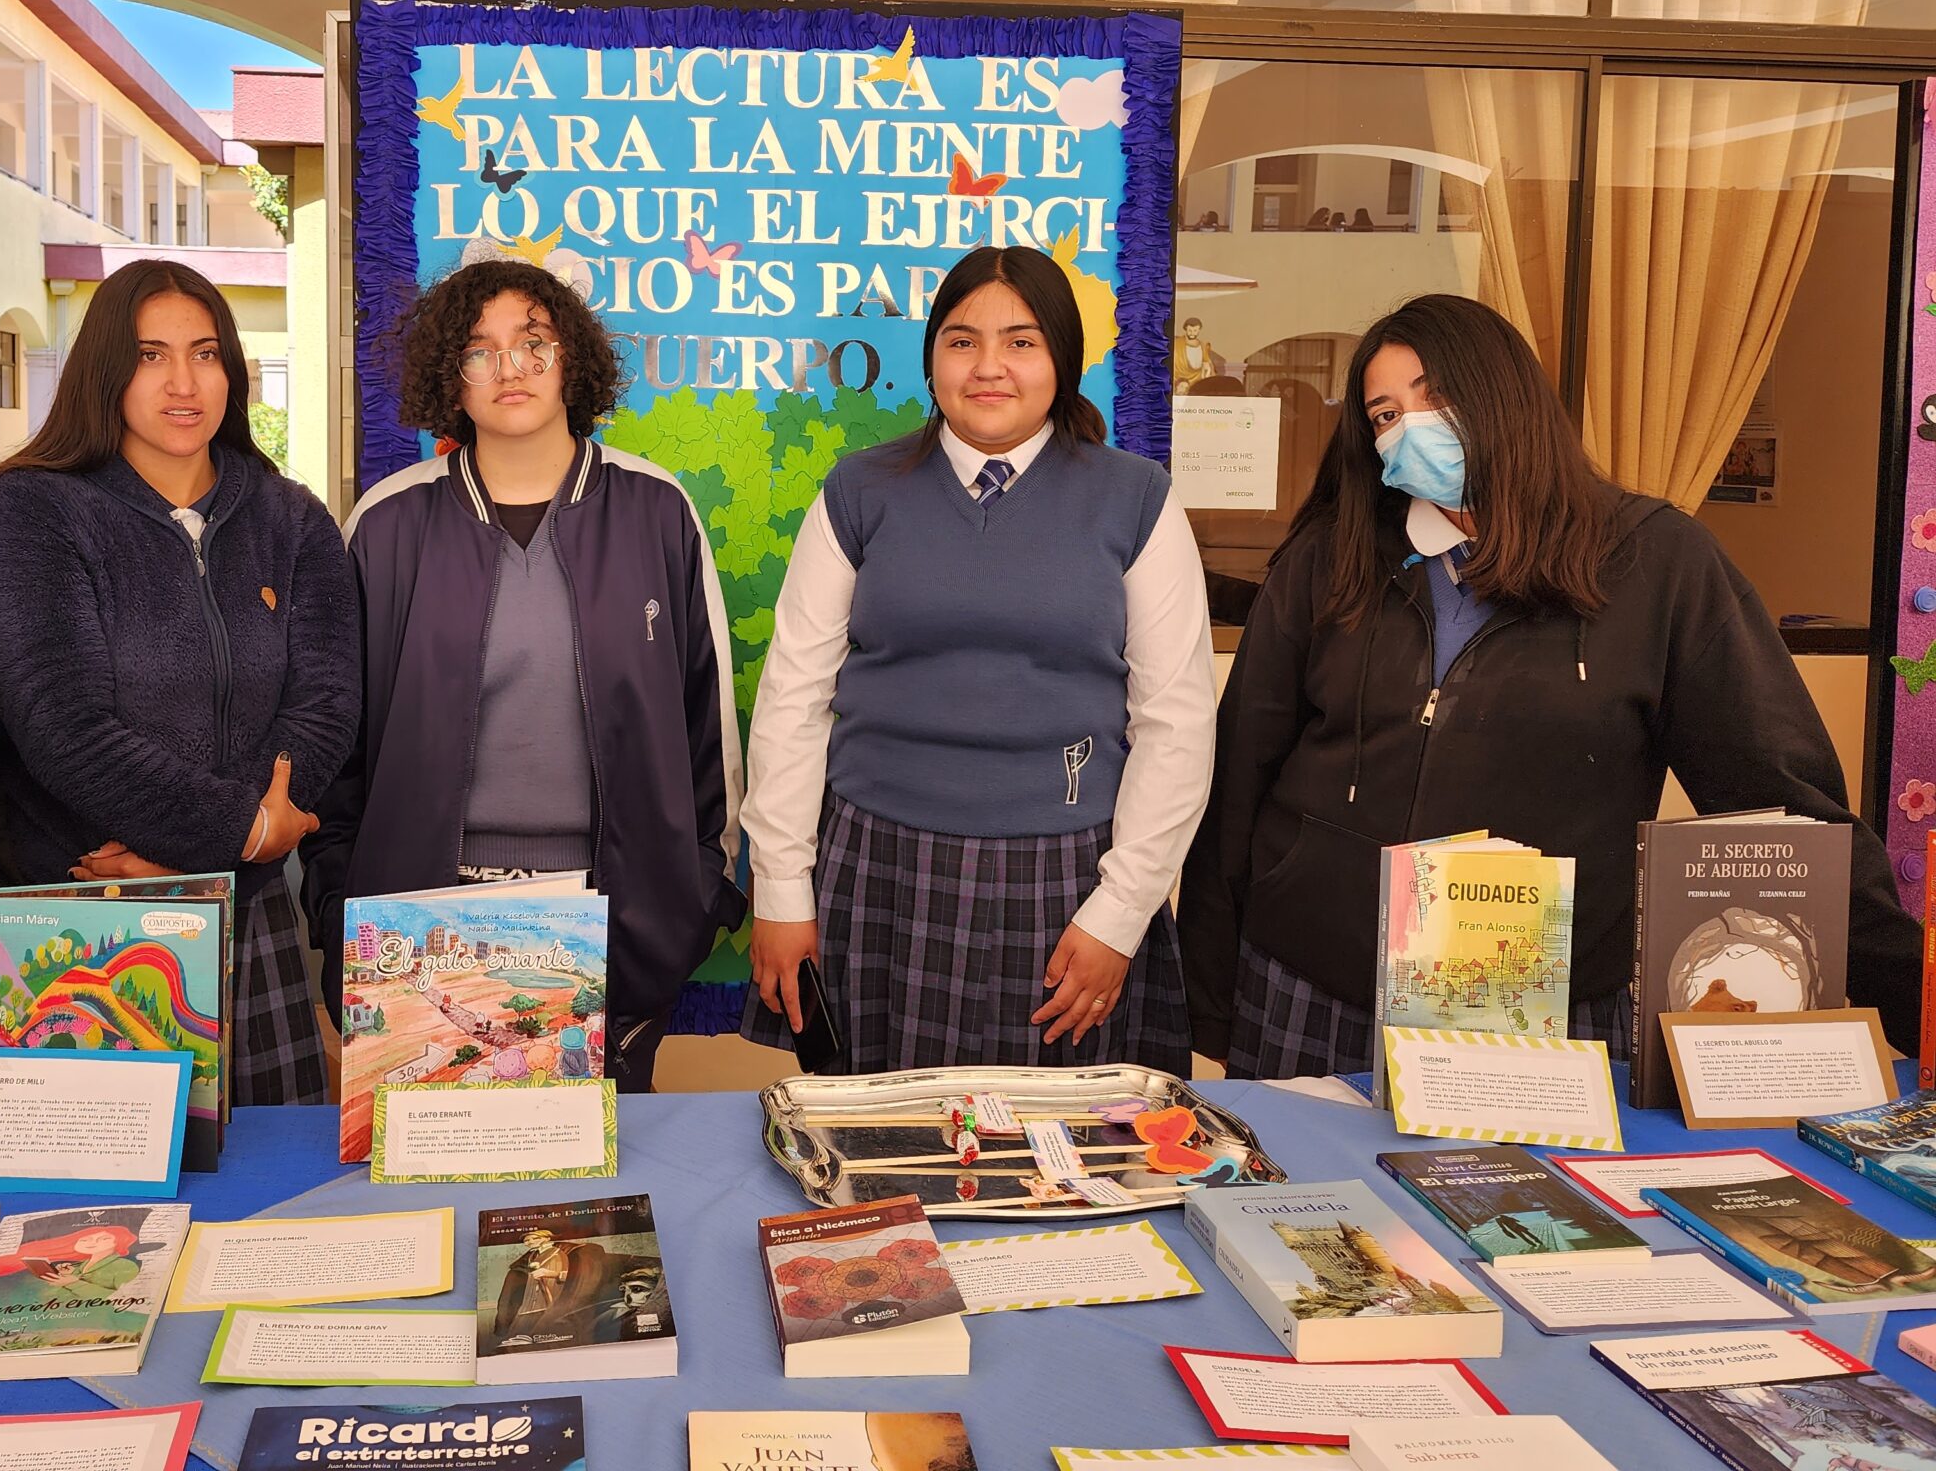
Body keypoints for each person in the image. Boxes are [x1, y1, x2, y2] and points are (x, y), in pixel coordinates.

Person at [1177, 293, 1924, 1077]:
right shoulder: (1332, 557)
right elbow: (1242, 775)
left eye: (1435, 396)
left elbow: (1782, 807)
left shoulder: (1659, 564)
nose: (1411, 428)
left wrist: (1915, 1001)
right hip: (1316, 982)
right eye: (1386, 415)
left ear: (1507, 396)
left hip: (1539, 1002)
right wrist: (1211, 997)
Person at [739, 246, 1215, 1076]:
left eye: (1021, 342)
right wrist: (781, 890)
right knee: (880, 1127)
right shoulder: (859, 490)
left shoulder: (1136, 500)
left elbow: (1176, 721)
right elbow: (792, 697)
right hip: (877, 869)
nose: (989, 366)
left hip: (1065, 880)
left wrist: (1120, 914)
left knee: (1055, 1138)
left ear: (1063, 359)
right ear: (932, 359)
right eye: (962, 341)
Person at [304, 259, 745, 1094]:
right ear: (451, 375)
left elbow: (706, 730)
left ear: (571, 357)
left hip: (610, 916)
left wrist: (691, 898)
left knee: (589, 1172)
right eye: (480, 349)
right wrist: (338, 906)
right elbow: (337, 750)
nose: (510, 367)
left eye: (534, 342)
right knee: (435, 1164)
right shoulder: (387, 523)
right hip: (422, 923)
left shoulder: (656, 509)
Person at [0, 259, 359, 1107]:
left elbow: (327, 706)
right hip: (91, 916)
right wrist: (238, 832)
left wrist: (211, 858)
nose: (184, 383)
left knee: (269, 1184)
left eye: (206, 353)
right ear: (106, 371)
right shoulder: (33, 509)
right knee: (95, 1185)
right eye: (151, 356)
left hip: (250, 913)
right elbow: (59, 722)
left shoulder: (292, 517)